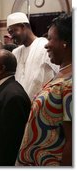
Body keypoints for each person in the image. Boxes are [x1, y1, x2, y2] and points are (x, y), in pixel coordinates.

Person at [16, 13, 72, 166]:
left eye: (51, 38)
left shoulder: (71, 82)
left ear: (65, 43)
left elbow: (72, 141)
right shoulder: (63, 73)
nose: (46, 44)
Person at [7, 12, 59, 100]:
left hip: (42, 104)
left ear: (23, 27)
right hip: (19, 105)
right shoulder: (15, 52)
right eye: (10, 33)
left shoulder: (44, 46)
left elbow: (58, 74)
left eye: (13, 31)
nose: (11, 36)